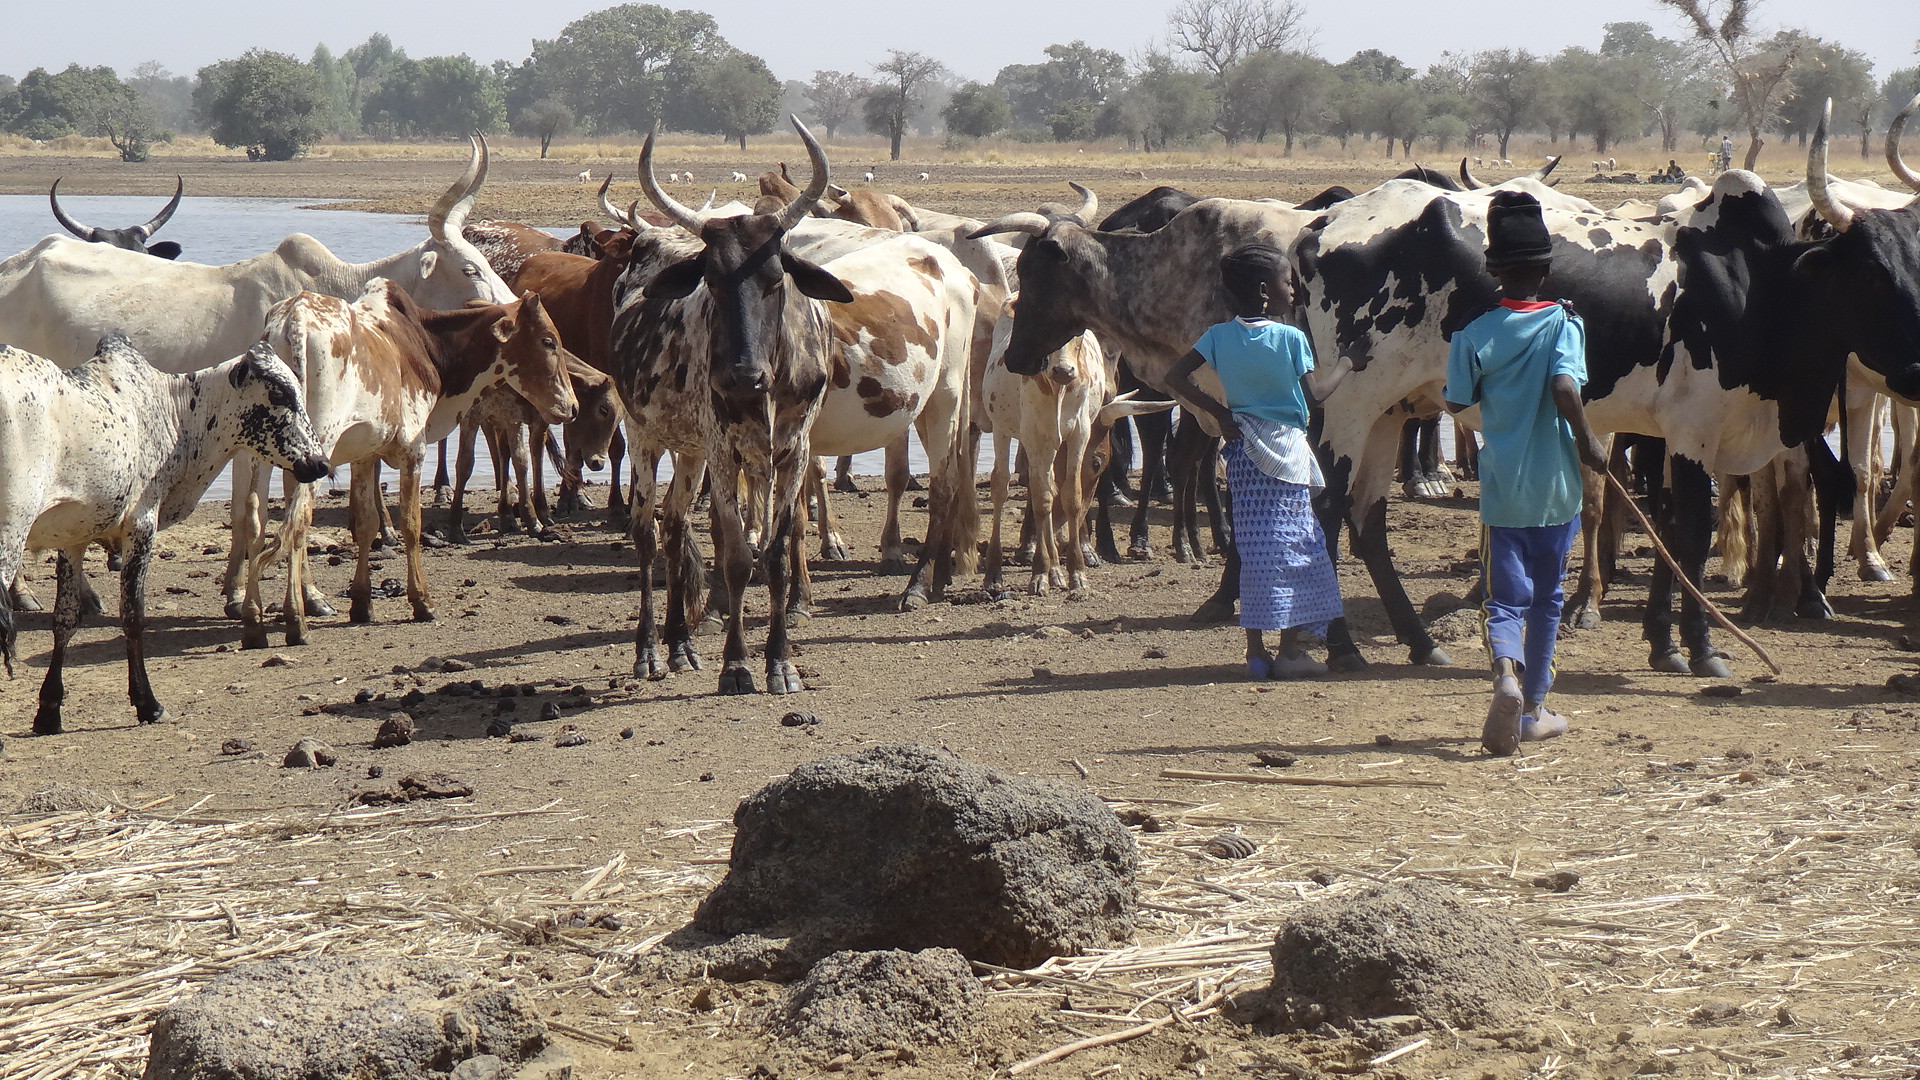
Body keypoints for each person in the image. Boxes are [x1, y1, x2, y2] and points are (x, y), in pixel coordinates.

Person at [1444, 191, 1608, 756]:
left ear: (1492, 271)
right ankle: (1535, 708)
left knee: (1504, 599)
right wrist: (1588, 440)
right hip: (1557, 490)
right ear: (1546, 268)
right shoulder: (1565, 323)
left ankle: (1505, 678)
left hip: (1501, 489)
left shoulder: (1472, 334)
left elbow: (1456, 402)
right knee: (1549, 597)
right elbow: (1566, 386)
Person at [1166, 246, 1355, 680]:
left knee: (1252, 548)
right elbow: (1317, 392)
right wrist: (1349, 360)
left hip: (1243, 449)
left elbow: (1175, 377)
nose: (1294, 290)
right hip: (1285, 450)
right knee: (1291, 547)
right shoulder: (1291, 338)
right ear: (1266, 292)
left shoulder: (1217, 336)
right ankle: (1289, 652)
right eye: (1289, 282)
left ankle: (1255, 654)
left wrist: (1220, 413)